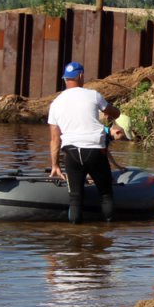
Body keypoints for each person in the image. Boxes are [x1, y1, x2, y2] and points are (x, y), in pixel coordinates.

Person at [48, 61, 121, 224]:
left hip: (71, 152)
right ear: (81, 76)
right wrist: (116, 113)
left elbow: (54, 139)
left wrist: (55, 165)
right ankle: (107, 233)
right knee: (106, 194)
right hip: (95, 150)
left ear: (65, 79)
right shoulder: (93, 95)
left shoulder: (55, 103)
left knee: (75, 197)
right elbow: (114, 113)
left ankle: (76, 238)